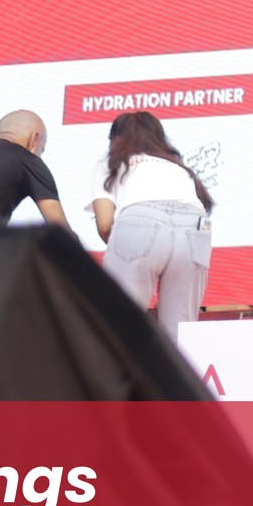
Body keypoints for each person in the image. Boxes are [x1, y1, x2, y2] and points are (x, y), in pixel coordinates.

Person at [93, 110, 215, 343]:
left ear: (115, 139)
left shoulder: (111, 163)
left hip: (140, 219)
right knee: (180, 330)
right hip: (196, 226)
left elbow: (105, 223)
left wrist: (125, 250)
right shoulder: (178, 167)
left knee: (117, 323)